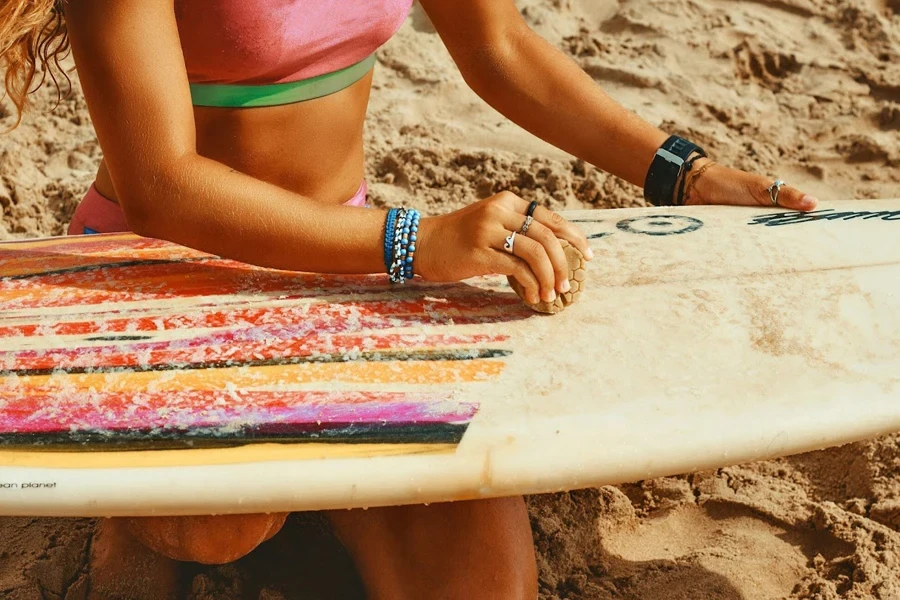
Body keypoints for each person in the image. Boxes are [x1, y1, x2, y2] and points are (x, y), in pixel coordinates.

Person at [1, 0, 819, 598]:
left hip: (344, 262)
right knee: (214, 528)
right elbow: (160, 184)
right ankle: (147, 523)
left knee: (485, 589)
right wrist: (416, 243)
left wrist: (683, 171)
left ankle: (309, 504)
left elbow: (498, 44)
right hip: (166, 277)